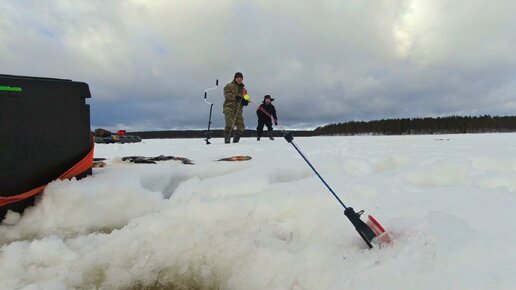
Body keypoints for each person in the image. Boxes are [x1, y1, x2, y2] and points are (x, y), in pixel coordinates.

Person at [223, 72, 249, 143]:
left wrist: (245, 102)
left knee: (241, 127)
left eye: (241, 78)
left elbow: (245, 98)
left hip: (239, 109)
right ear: (235, 78)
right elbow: (226, 94)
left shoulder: (243, 89)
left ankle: (235, 143)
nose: (239, 79)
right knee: (229, 125)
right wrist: (235, 97)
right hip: (229, 108)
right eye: (238, 78)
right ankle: (227, 143)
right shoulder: (229, 85)